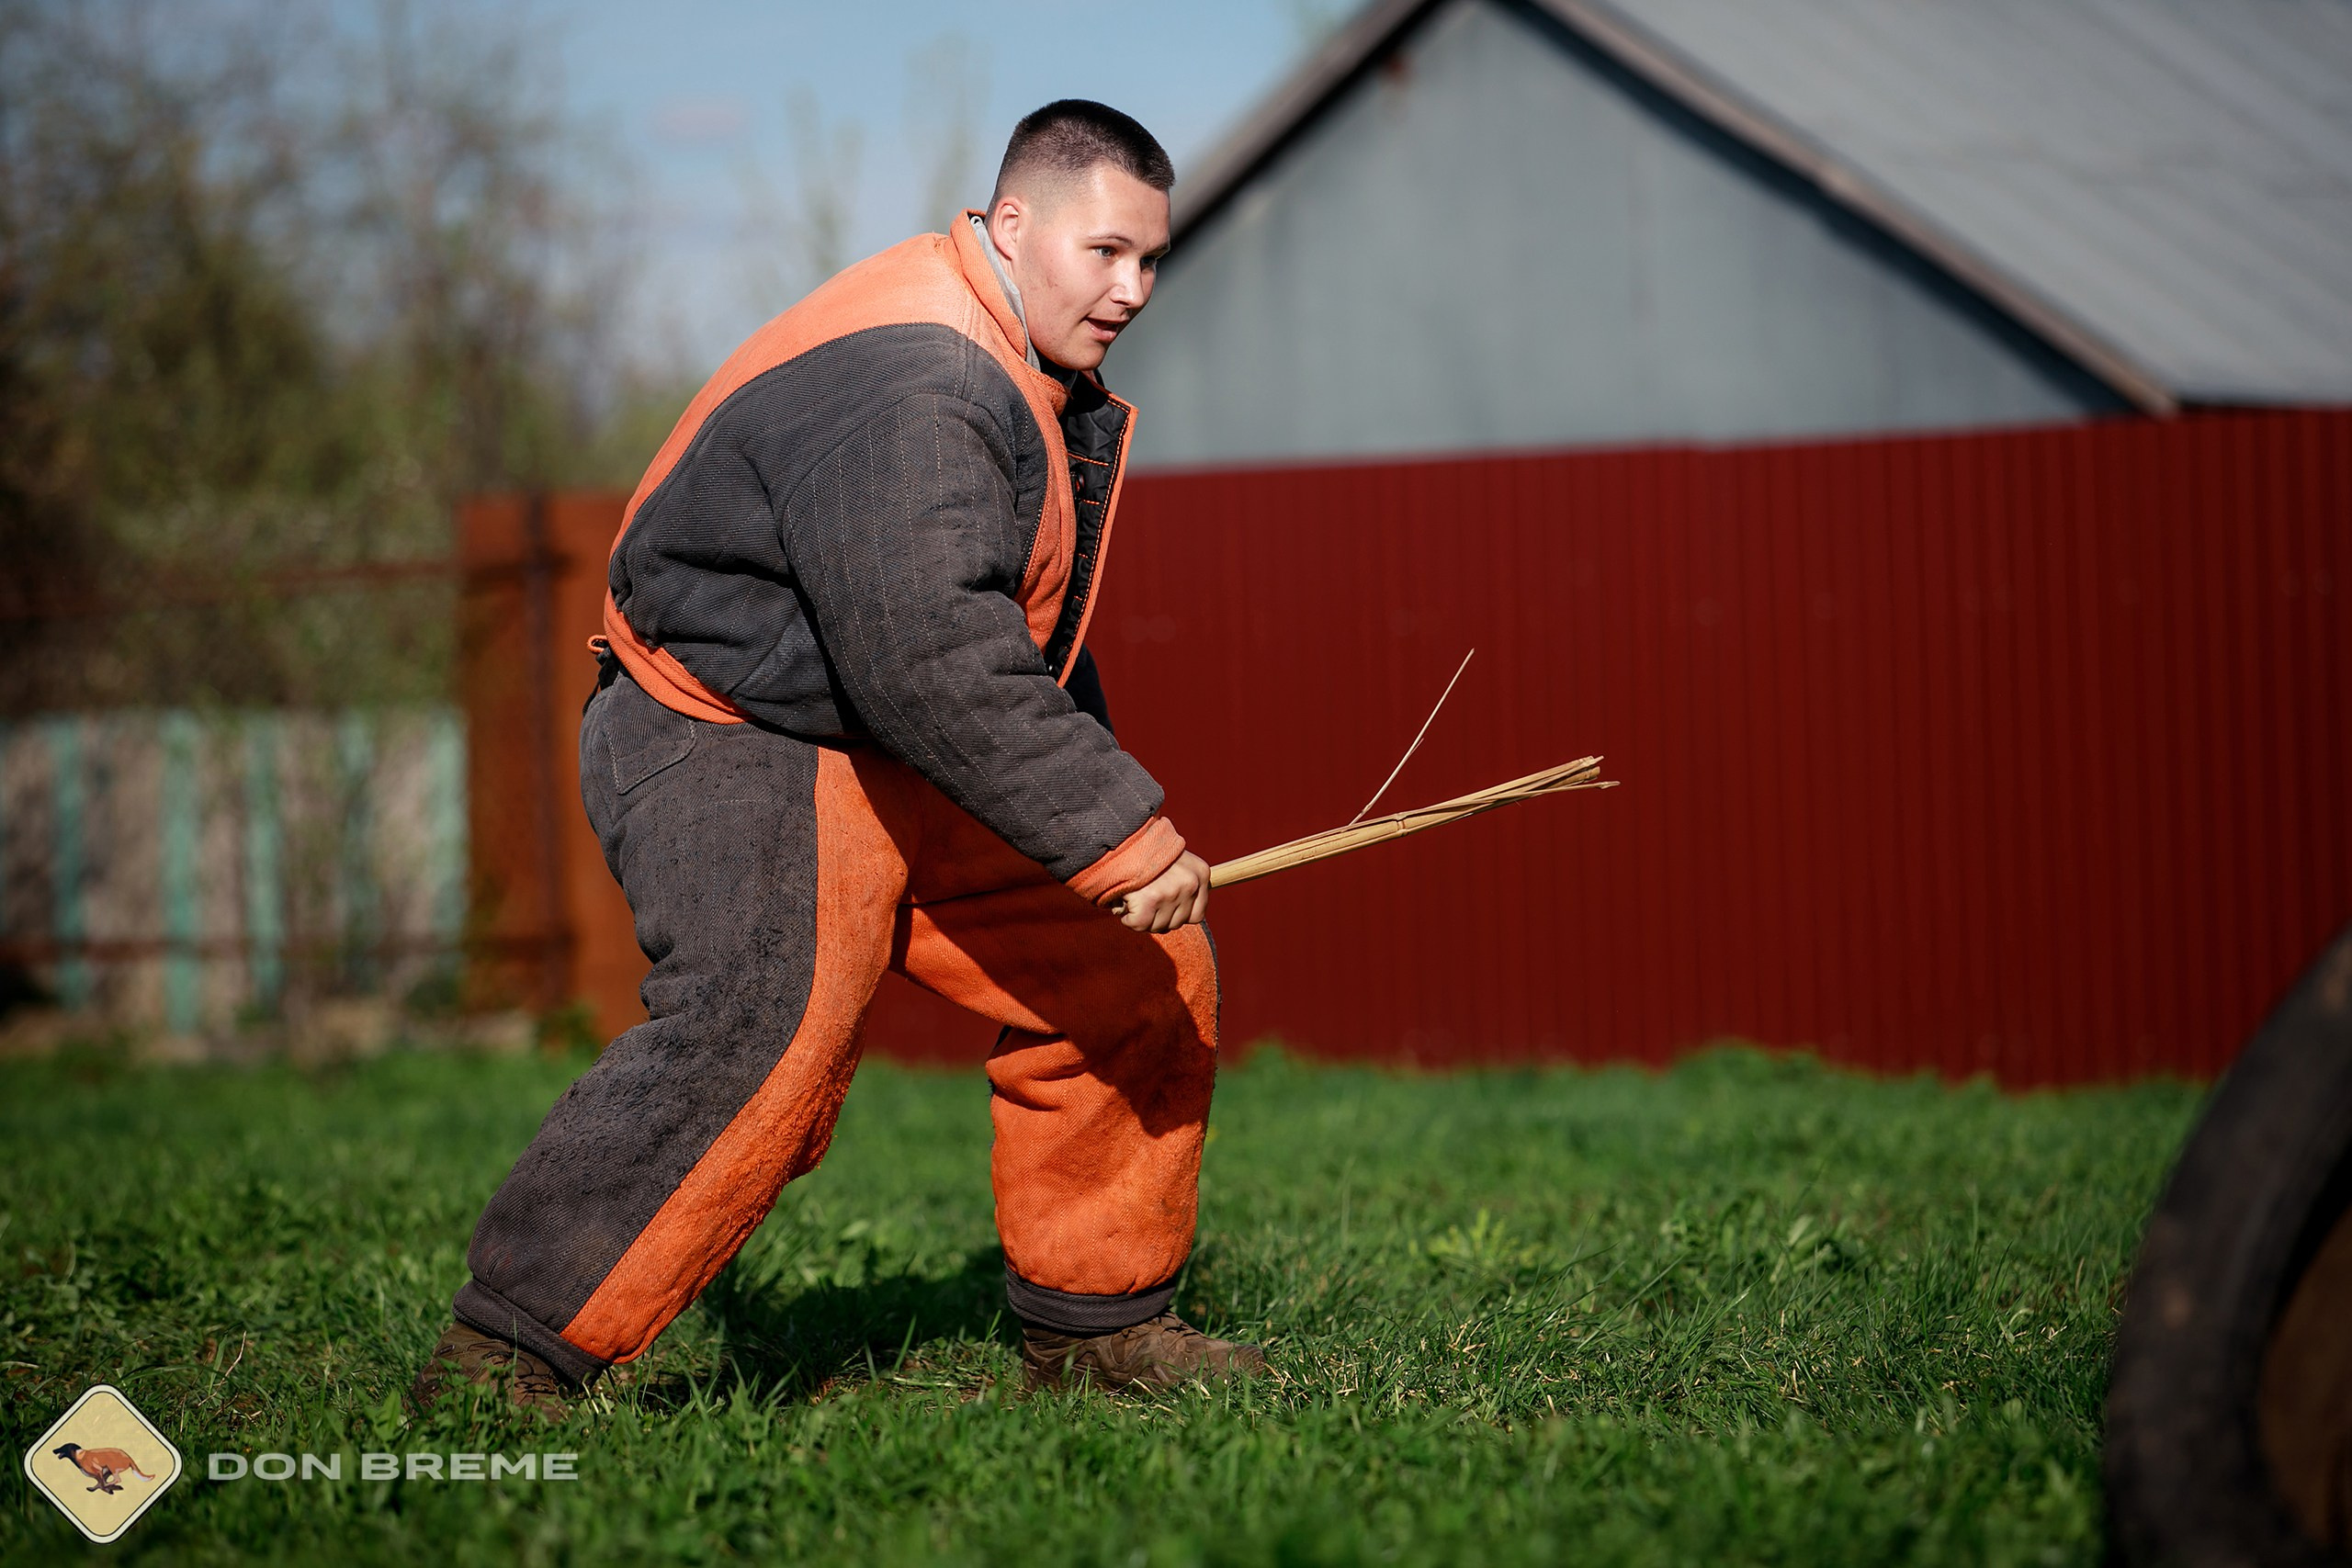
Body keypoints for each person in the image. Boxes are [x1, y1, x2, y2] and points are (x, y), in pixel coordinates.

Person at [411, 100, 1262, 1418]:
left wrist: (1104, 835)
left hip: (880, 724)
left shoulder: (1008, 360)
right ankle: (507, 1361)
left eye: (1152, 261)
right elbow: (927, 650)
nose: (1133, 290)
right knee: (771, 1017)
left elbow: (1003, 642)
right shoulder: (918, 379)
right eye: (1106, 254)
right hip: (729, 724)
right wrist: (1118, 830)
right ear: (1014, 221)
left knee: (1129, 964)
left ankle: (1100, 1330)